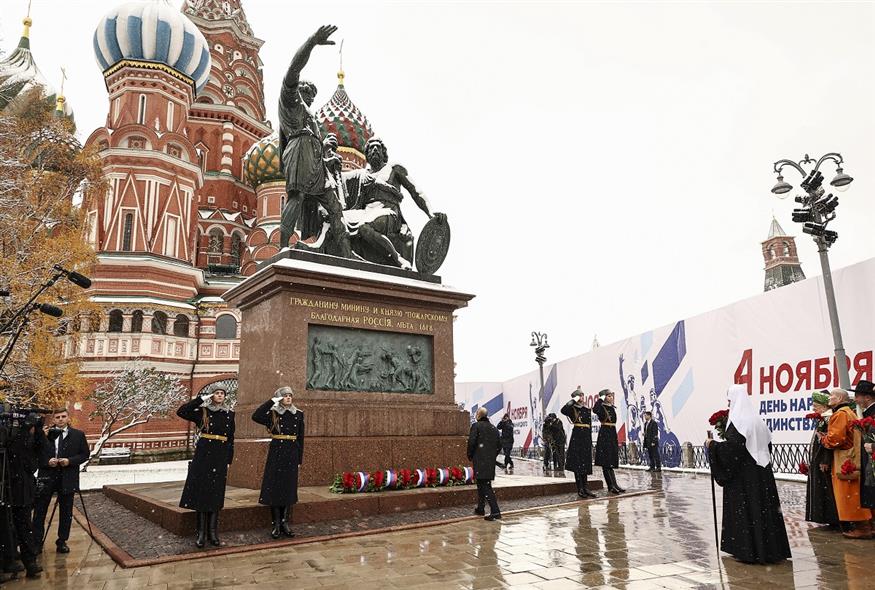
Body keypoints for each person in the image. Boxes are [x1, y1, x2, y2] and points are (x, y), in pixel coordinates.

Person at [278, 24, 351, 256]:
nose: (311, 96)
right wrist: (311, 42)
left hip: (316, 161)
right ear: (299, 90)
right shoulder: (290, 100)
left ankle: (346, 253)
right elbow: (293, 68)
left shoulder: (311, 116)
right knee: (296, 196)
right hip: (299, 150)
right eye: (307, 91)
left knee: (334, 204)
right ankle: (282, 246)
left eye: (312, 94)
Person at [705, 385, 791, 564]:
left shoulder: (739, 421)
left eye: (730, 401)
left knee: (748, 511)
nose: (729, 404)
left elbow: (734, 450)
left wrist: (712, 445)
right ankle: (769, 549)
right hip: (762, 473)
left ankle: (751, 550)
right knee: (764, 510)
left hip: (745, 477)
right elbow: (767, 447)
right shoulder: (757, 421)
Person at [177, 388, 235, 548]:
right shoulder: (202, 411)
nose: (220, 395)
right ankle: (201, 533)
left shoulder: (230, 414)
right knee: (202, 492)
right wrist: (200, 399)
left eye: (222, 393)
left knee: (216, 493)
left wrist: (229, 459)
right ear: (212, 395)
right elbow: (182, 411)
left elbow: (231, 438)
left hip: (220, 455)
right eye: (217, 393)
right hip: (204, 455)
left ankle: (213, 532)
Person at [32, 408, 89, 555]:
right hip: (47, 476)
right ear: (53, 420)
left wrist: (69, 461)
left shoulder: (78, 435)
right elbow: (34, 454)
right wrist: (46, 461)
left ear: (68, 418)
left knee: (66, 512)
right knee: (40, 511)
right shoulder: (44, 434)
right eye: (57, 417)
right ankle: (37, 542)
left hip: (67, 477)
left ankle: (62, 541)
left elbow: (84, 454)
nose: (61, 419)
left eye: (63, 416)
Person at [251, 386, 304, 539]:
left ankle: (284, 522)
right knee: (275, 487)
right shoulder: (272, 414)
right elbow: (256, 416)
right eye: (285, 396)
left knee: (288, 487)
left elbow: (300, 438)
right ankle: (275, 524)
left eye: (290, 395)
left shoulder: (298, 414)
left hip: (291, 453)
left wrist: (299, 459)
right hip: (277, 452)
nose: (288, 398)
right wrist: (272, 401)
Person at [820, 387, 873, 538]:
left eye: (831, 397)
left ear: (839, 399)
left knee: (848, 494)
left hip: (844, 460)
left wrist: (823, 439)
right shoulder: (850, 412)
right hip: (853, 457)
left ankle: (862, 527)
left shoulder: (840, 414)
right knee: (855, 492)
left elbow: (835, 439)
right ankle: (867, 525)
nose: (829, 399)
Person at [5, 412, 45, 577]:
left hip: (22, 489)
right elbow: (12, 448)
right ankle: (9, 559)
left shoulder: (26, 437)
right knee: (10, 528)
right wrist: (24, 429)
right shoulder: (13, 435)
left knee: (24, 526)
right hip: (8, 485)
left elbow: (38, 453)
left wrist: (39, 430)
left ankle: (30, 561)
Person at [804, 390, 839, 527]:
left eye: (816, 404)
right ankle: (824, 516)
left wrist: (825, 460)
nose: (813, 407)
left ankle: (831, 518)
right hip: (817, 459)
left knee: (826, 489)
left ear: (824, 405)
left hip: (822, 460)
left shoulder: (828, 418)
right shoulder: (823, 418)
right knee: (821, 489)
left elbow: (828, 442)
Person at [561, 387, 596, 498]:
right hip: (577, 436)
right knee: (577, 464)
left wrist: (590, 439)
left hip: (586, 437)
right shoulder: (572, 408)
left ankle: (586, 487)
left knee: (585, 463)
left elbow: (589, 425)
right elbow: (563, 410)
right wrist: (573, 400)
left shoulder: (586, 409)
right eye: (579, 396)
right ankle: (580, 488)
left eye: (582, 395)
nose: (581, 397)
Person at [467, 407, 501, 520]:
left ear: (478, 415)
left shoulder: (476, 426)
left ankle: (495, 511)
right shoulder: (494, 428)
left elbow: (472, 442)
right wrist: (491, 456)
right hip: (489, 461)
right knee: (482, 483)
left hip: (480, 459)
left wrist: (470, 455)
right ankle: (480, 508)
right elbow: (499, 446)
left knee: (485, 486)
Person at [593, 389, 625, 494]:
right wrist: (600, 398)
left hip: (611, 434)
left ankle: (614, 484)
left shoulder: (611, 408)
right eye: (609, 396)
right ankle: (610, 486)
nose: (611, 398)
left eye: (612, 396)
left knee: (611, 461)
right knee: (606, 463)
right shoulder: (601, 407)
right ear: (604, 397)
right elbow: (595, 409)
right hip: (605, 434)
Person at [849, 379, 875, 512]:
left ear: (868, 397)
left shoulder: (872, 413)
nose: (855, 400)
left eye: (857, 396)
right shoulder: (865, 414)